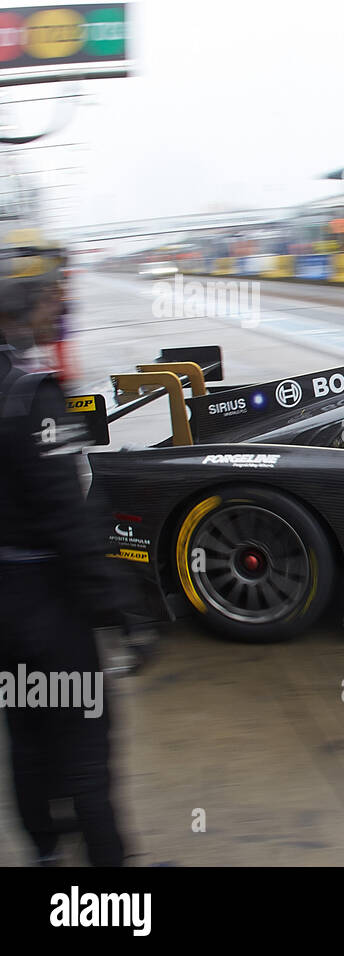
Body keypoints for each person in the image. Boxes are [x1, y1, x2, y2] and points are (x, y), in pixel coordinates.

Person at [0, 246, 126, 866]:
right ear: (24, 307)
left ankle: (45, 856)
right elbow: (69, 519)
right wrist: (119, 608)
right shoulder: (31, 396)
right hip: (46, 604)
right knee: (84, 748)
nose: (62, 308)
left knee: (26, 736)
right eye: (53, 297)